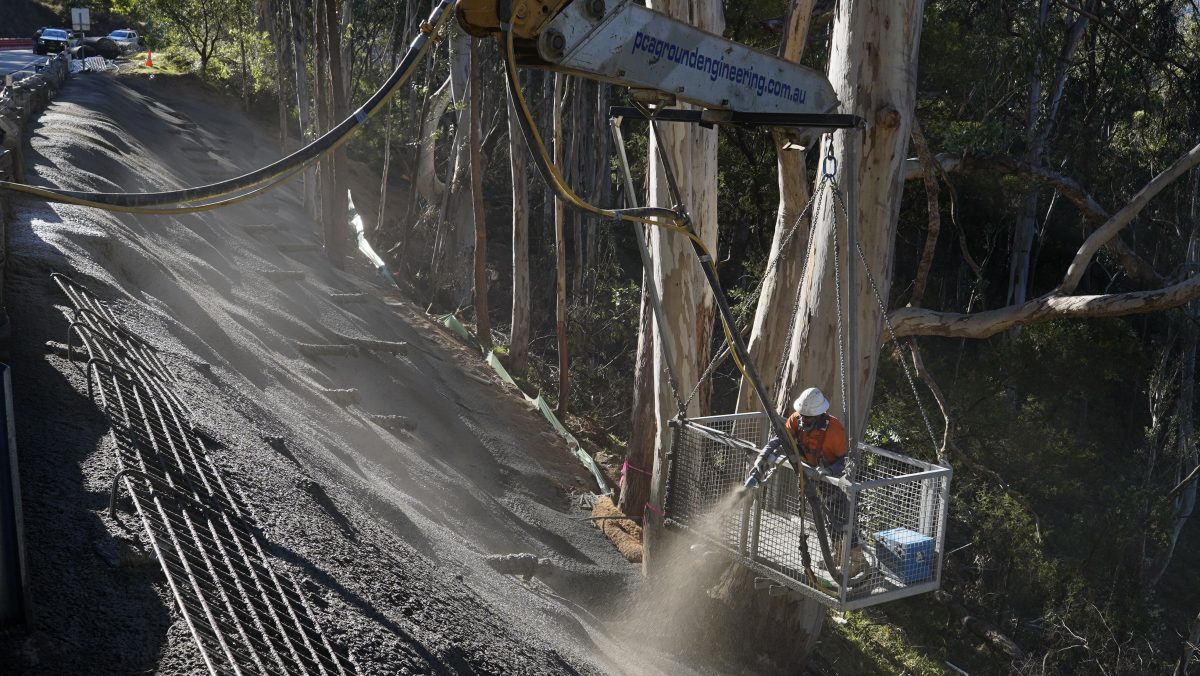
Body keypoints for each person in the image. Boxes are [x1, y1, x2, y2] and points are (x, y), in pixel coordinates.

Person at [763, 386, 848, 477]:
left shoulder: (834, 430)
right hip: (809, 472)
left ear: (818, 415)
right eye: (801, 414)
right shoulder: (795, 418)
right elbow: (781, 438)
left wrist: (829, 471)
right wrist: (764, 454)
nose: (802, 419)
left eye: (807, 417)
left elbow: (847, 460)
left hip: (832, 478)